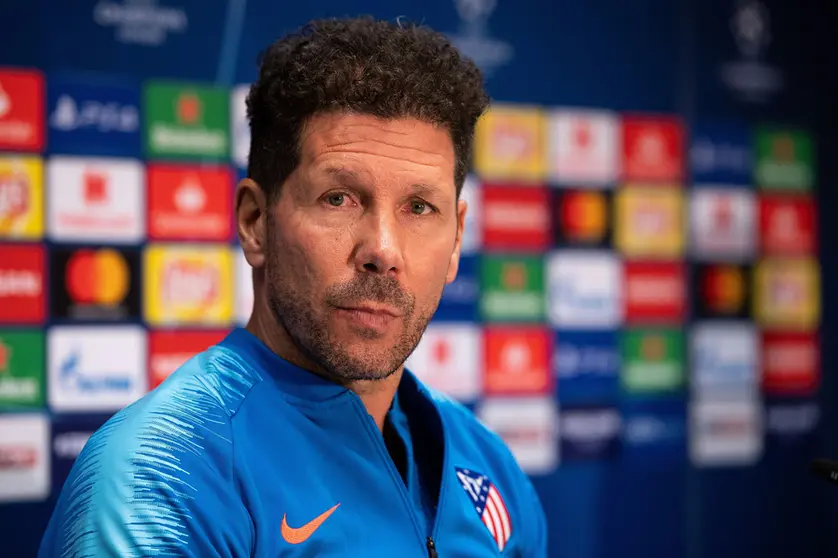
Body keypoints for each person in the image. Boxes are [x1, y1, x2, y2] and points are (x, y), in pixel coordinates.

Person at [39, 16, 548, 557]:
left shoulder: (488, 465)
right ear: (256, 222)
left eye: (419, 208)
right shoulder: (162, 477)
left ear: (456, 239)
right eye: (339, 198)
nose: (383, 250)